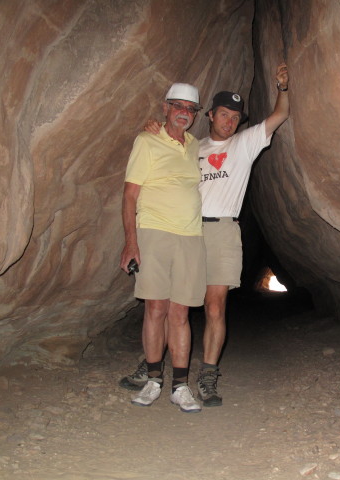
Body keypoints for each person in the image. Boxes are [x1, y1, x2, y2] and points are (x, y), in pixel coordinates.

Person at [120, 63, 290, 407]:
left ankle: (206, 374)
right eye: (223, 114)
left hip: (223, 230)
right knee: (167, 304)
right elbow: (158, 156)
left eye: (235, 117)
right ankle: (155, 365)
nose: (229, 121)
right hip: (189, 230)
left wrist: (283, 89)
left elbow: (279, 115)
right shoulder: (190, 147)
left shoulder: (244, 143)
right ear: (209, 115)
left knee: (212, 307)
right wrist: (150, 127)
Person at [119, 82, 206, 413]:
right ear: (166, 108)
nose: (184, 113)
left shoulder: (196, 145)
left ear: (195, 115)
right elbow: (129, 194)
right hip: (154, 233)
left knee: (180, 312)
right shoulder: (146, 141)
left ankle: (180, 386)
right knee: (156, 308)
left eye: (190, 108)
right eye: (178, 106)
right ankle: (154, 379)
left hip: (190, 237)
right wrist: (130, 241)